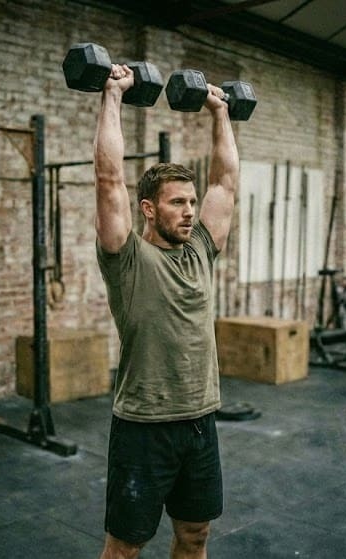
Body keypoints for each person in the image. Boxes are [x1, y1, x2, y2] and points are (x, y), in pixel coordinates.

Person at [93, 62, 239, 559]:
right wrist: (114, 93)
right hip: (143, 427)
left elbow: (226, 183)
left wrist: (220, 112)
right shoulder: (128, 257)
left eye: (192, 202)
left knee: (195, 535)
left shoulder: (201, 249)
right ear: (149, 209)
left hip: (200, 421)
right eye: (178, 202)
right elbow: (109, 178)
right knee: (125, 547)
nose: (191, 211)